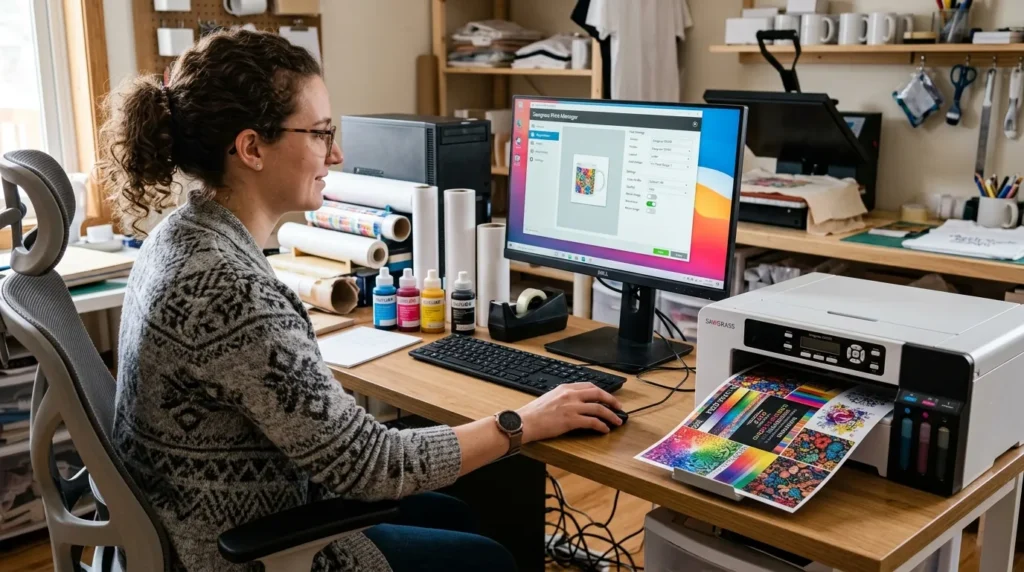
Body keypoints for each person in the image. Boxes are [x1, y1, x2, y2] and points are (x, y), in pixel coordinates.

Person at [98, 29, 624, 572]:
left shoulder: (182, 233)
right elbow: (370, 465)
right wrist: (524, 422)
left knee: (462, 512)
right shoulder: (232, 291)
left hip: (211, 513)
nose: (338, 153)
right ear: (251, 147)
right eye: (321, 133)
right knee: (487, 557)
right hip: (239, 548)